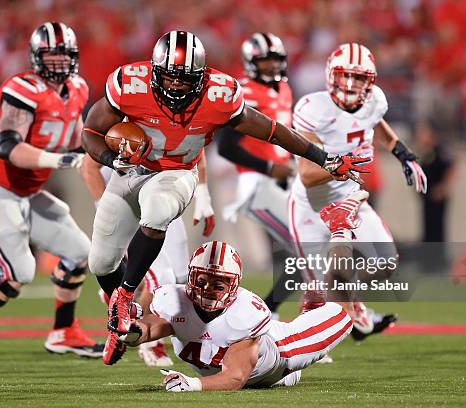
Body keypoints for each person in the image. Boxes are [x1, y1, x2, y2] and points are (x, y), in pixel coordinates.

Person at [81, 30, 368, 365]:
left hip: (175, 173)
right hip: (128, 172)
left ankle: (125, 295)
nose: (176, 86)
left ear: (201, 79)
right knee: (100, 262)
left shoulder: (219, 95)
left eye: (185, 80)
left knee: (158, 209)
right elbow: (91, 131)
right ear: (156, 72)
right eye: (170, 78)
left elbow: (272, 130)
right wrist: (109, 159)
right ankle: (124, 310)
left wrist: (324, 158)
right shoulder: (130, 83)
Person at [0, 22, 102, 364]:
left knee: (80, 252)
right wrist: (60, 159)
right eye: (51, 54)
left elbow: (75, 140)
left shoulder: (79, 88)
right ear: (36, 57)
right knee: (19, 272)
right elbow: (8, 147)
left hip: (27, 193)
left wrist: (106, 150)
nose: (58, 61)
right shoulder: (22, 88)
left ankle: (63, 331)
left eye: (64, 54)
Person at [288, 43, 427, 341]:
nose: (350, 85)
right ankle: (302, 345)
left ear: (370, 81)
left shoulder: (375, 100)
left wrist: (402, 152)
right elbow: (308, 175)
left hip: (349, 199)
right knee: (318, 295)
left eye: (358, 77)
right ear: (330, 76)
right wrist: (341, 164)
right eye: (344, 76)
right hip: (312, 207)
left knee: (385, 262)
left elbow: (374, 122)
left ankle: (351, 301)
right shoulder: (313, 109)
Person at [114, 240, 352, 391]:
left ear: (235, 285)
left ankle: (341, 232)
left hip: (283, 351)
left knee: (344, 312)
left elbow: (235, 378)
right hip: (258, 377)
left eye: (219, 282)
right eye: (202, 279)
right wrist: (129, 333)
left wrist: (192, 384)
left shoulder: (244, 314)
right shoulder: (174, 300)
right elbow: (150, 328)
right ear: (190, 277)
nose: (208, 288)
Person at [80, 150, 215, 366]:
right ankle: (144, 339)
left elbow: (196, 142)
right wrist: (108, 212)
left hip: (163, 196)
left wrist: (203, 193)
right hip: (129, 205)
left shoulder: (179, 119)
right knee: (161, 276)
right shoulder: (124, 118)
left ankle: (114, 305)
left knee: (181, 277)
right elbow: (88, 167)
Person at [216, 32, 295, 318]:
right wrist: (271, 167)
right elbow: (226, 147)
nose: (273, 66)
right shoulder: (245, 93)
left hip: (283, 182)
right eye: (265, 62)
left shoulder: (284, 89)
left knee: (299, 255)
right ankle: (258, 314)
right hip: (256, 182)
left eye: (276, 60)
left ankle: (264, 314)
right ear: (252, 63)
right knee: (306, 249)